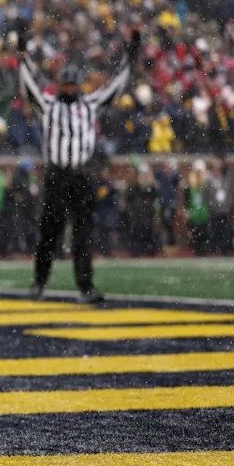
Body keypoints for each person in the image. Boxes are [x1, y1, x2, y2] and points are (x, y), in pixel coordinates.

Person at [18, 23, 141, 303]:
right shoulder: (48, 105)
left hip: (82, 176)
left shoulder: (90, 104)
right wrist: (22, 52)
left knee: (83, 235)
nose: (70, 89)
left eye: (74, 84)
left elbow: (116, 85)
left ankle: (85, 287)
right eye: (67, 84)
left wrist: (131, 55)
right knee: (50, 233)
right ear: (60, 85)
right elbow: (28, 86)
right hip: (57, 176)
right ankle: (39, 283)